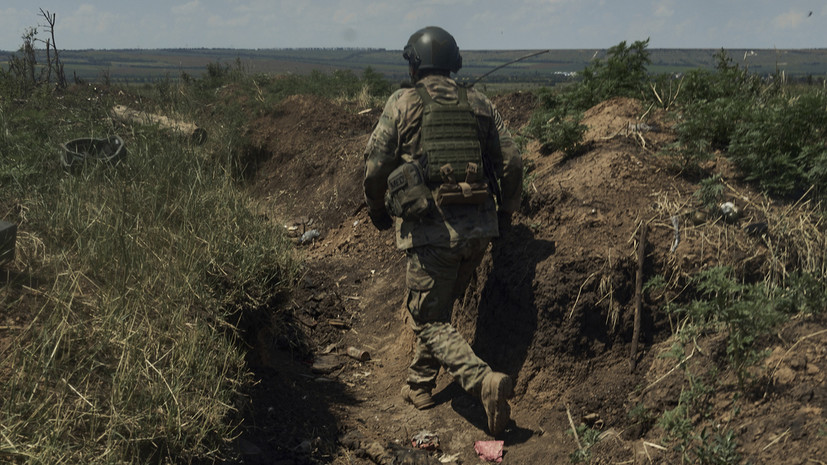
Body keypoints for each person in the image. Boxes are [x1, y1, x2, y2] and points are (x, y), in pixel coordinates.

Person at [362, 26, 523, 436]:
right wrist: (504, 215)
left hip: (432, 234)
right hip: (480, 231)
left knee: (428, 319)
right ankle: (419, 386)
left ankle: (482, 382)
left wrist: (377, 209)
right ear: (455, 64)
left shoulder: (403, 102)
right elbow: (512, 162)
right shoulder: (481, 103)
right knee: (439, 310)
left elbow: (377, 164)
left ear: (413, 63)